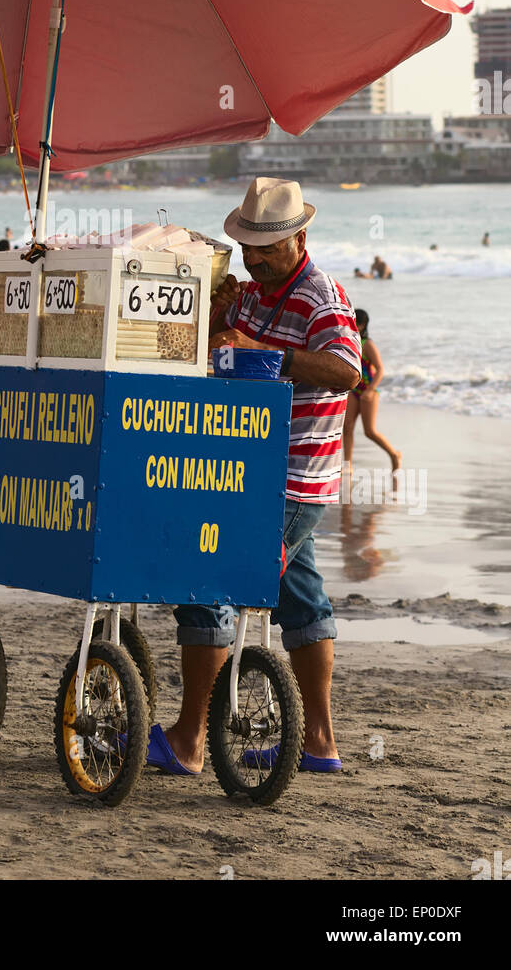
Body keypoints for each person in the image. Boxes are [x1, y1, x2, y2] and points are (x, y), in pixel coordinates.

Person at [146, 177, 360, 779]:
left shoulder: (321, 299)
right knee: (301, 596)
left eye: (267, 247)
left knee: (205, 577)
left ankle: (189, 739)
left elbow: (347, 371)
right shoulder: (253, 295)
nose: (255, 258)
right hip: (243, 472)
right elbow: (220, 344)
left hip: (290, 480)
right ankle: (318, 741)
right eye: (248, 247)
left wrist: (269, 353)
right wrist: (219, 316)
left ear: (300, 237)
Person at [343, 309, 401, 473]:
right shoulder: (350, 342)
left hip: (369, 392)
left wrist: (370, 390)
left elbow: (381, 369)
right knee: (347, 427)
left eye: (354, 321)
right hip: (354, 390)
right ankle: (348, 466)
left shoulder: (367, 344)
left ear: (361, 325)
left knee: (369, 431)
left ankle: (394, 454)